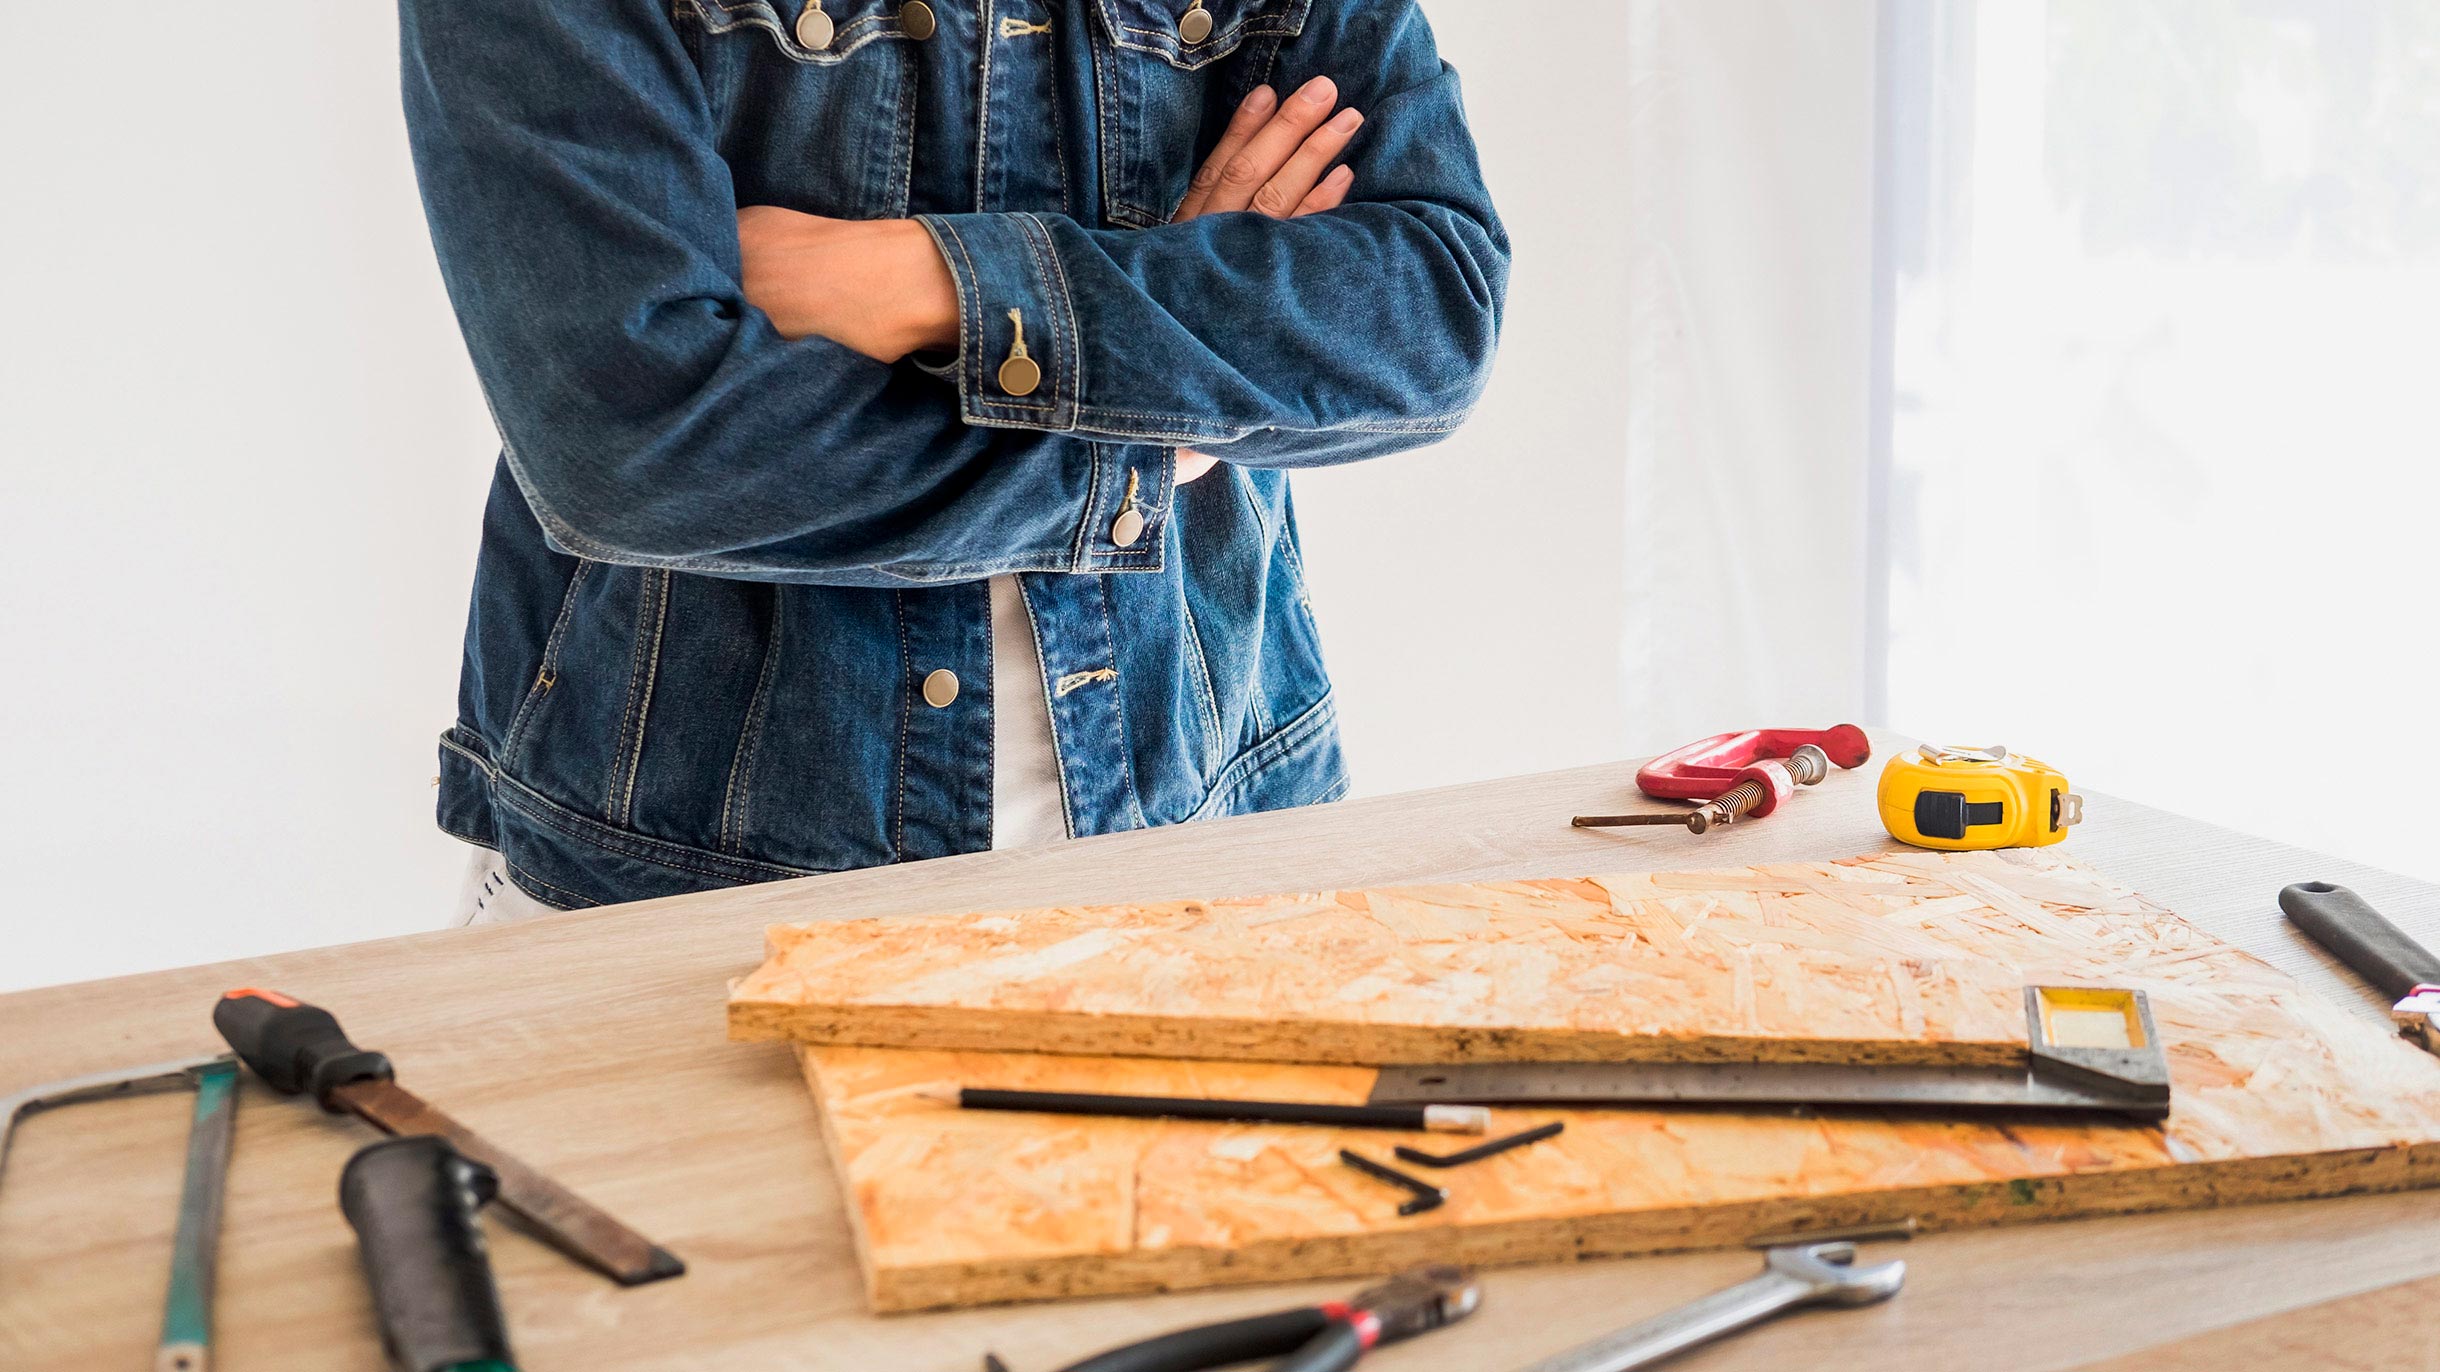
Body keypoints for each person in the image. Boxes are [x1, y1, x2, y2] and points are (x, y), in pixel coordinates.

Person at [399, 0, 1509, 919]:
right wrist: (1159, 427)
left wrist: (916, 278)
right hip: (680, 885)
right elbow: (640, 440)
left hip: (1211, 837)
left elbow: (1428, 316)